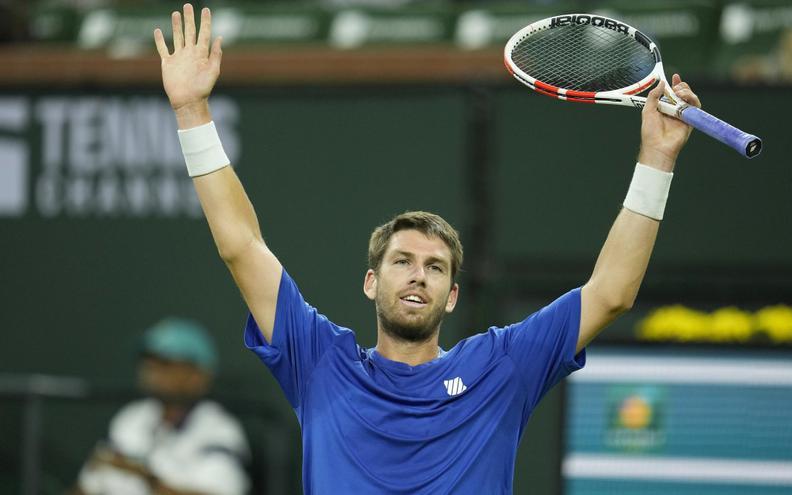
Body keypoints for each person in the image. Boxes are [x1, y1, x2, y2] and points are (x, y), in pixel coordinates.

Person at [152, 4, 699, 493]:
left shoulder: (501, 367)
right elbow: (241, 247)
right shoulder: (321, 361)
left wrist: (658, 156)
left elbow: (612, 293)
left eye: (435, 268)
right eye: (402, 262)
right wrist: (191, 111)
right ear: (371, 282)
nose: (418, 276)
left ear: (453, 295)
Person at [73, 318, 250, 495]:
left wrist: (145, 477)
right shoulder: (131, 417)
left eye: (165, 363)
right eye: (149, 362)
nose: (152, 371)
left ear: (198, 375)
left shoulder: (219, 429)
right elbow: (85, 488)